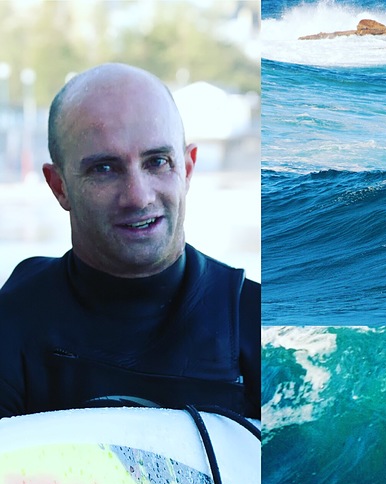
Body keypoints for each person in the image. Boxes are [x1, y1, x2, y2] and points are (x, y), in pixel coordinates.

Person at [0, 63, 260, 419]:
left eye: (157, 162)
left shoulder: (252, 321)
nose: (138, 197)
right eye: (104, 168)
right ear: (59, 186)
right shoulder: (15, 322)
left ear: (187, 168)